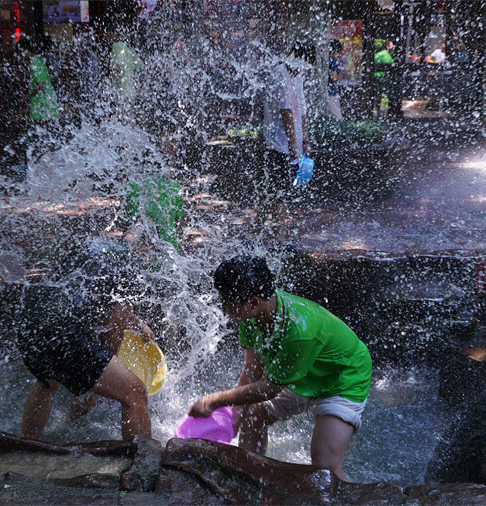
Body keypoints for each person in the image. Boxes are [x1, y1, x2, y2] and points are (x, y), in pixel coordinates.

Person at [188, 256, 372, 484]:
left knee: (325, 468)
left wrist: (214, 401)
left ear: (253, 302)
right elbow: (252, 369)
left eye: (226, 301)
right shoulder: (251, 317)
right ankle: (250, 482)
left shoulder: (298, 330)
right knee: (252, 418)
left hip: (342, 377)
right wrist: (235, 414)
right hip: (298, 374)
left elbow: (268, 390)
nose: (223, 308)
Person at [16, 238, 154, 441]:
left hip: (30, 326)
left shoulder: (94, 250)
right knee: (135, 393)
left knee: (48, 381)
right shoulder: (132, 266)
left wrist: (135, 321)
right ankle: (142, 461)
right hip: (62, 331)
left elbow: (84, 294)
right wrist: (111, 364)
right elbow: (114, 330)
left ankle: (28, 445)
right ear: (148, 248)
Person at [257, 41, 313, 246]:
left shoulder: (296, 74)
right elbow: (286, 111)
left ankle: (255, 237)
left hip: (290, 145)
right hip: (277, 145)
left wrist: (305, 140)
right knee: (278, 196)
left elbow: (303, 111)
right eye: (300, 63)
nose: (301, 68)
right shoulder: (279, 74)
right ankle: (277, 243)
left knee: (274, 194)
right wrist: (293, 144)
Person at [327, 40, 344, 119]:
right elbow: (333, 78)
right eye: (340, 52)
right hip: (331, 93)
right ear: (336, 50)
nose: (340, 54)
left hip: (326, 92)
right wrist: (340, 77)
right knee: (337, 116)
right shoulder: (333, 60)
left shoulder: (327, 59)